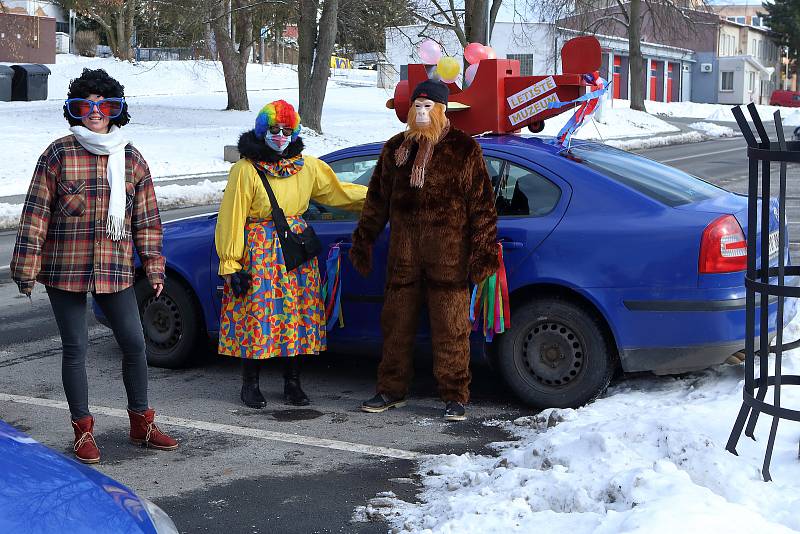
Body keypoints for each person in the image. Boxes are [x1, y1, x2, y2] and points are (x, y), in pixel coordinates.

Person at [11, 68, 178, 464]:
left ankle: (142, 422)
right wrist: (26, 267)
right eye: (85, 105)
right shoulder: (58, 154)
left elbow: (147, 221)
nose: (95, 112)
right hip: (64, 269)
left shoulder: (132, 159)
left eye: (105, 105)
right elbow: (36, 213)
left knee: (135, 343)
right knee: (76, 348)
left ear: (117, 110)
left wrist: (154, 268)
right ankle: (83, 432)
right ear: (74, 110)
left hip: (114, 268)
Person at [350, 80, 499, 421]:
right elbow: (375, 203)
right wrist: (364, 241)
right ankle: (391, 389)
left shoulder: (463, 149)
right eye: (416, 106)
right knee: (395, 326)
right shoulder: (395, 151)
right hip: (403, 258)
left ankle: (455, 395)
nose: (420, 112)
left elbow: (482, 207)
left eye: (427, 106)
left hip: (449, 259)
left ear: (442, 110)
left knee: (451, 328)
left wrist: (483, 252)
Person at [215, 100, 367, 408]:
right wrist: (230, 263)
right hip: (259, 253)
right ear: (262, 131)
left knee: (295, 314)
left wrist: (379, 195)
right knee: (256, 315)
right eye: (274, 130)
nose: (281, 136)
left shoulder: (307, 166)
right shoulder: (245, 170)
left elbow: (340, 192)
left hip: (295, 252)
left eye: (287, 130)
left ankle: (292, 383)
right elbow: (231, 217)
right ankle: (250, 384)